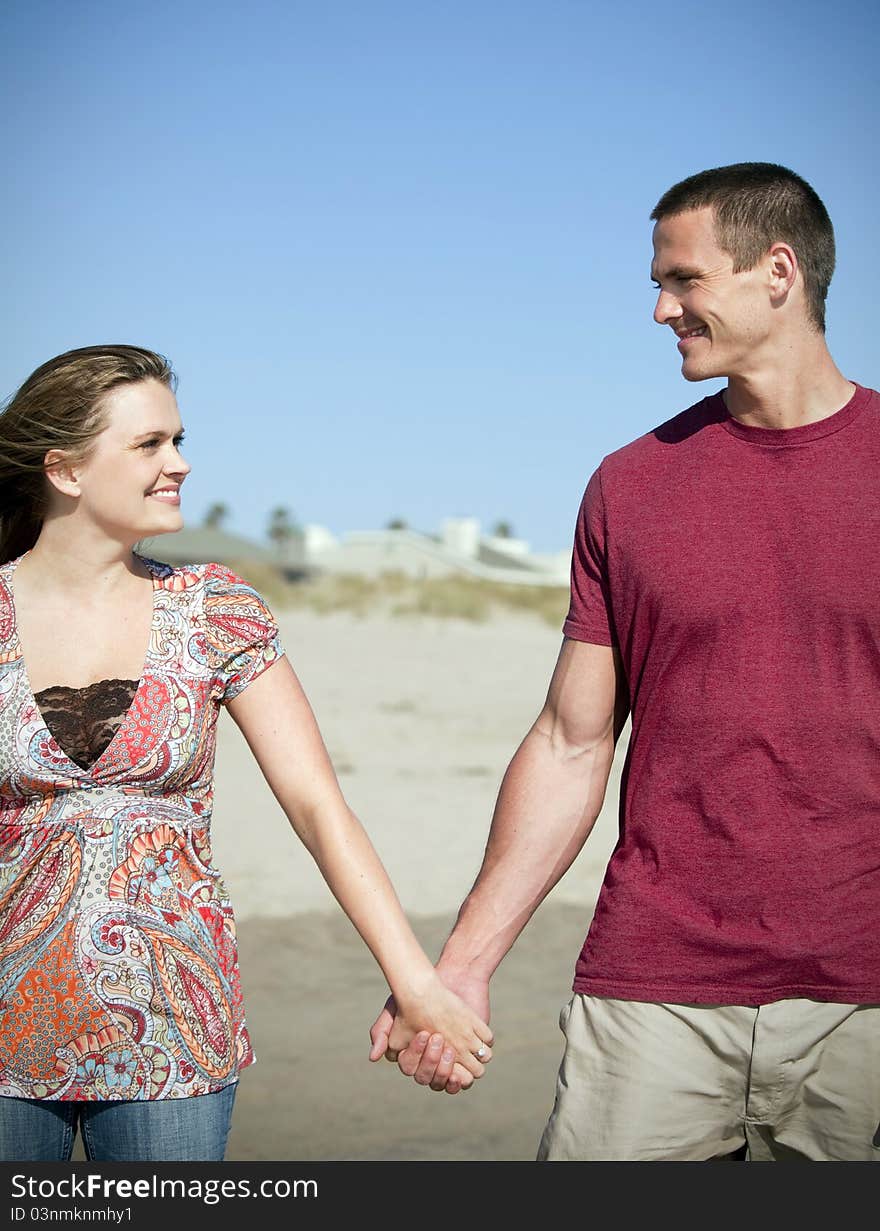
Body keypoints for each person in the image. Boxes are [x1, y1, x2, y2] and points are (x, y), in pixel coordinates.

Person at [370, 162, 880, 1160]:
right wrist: (462, 968)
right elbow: (570, 742)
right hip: (653, 985)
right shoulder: (630, 485)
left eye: (683, 279)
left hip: (865, 996)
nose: (659, 308)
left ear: (777, 271)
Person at [0, 344, 492, 1162]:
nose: (180, 463)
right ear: (65, 470)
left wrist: (417, 983)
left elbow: (318, 807)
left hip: (175, 1036)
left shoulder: (214, 610)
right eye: (150, 444)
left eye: (179, 439)